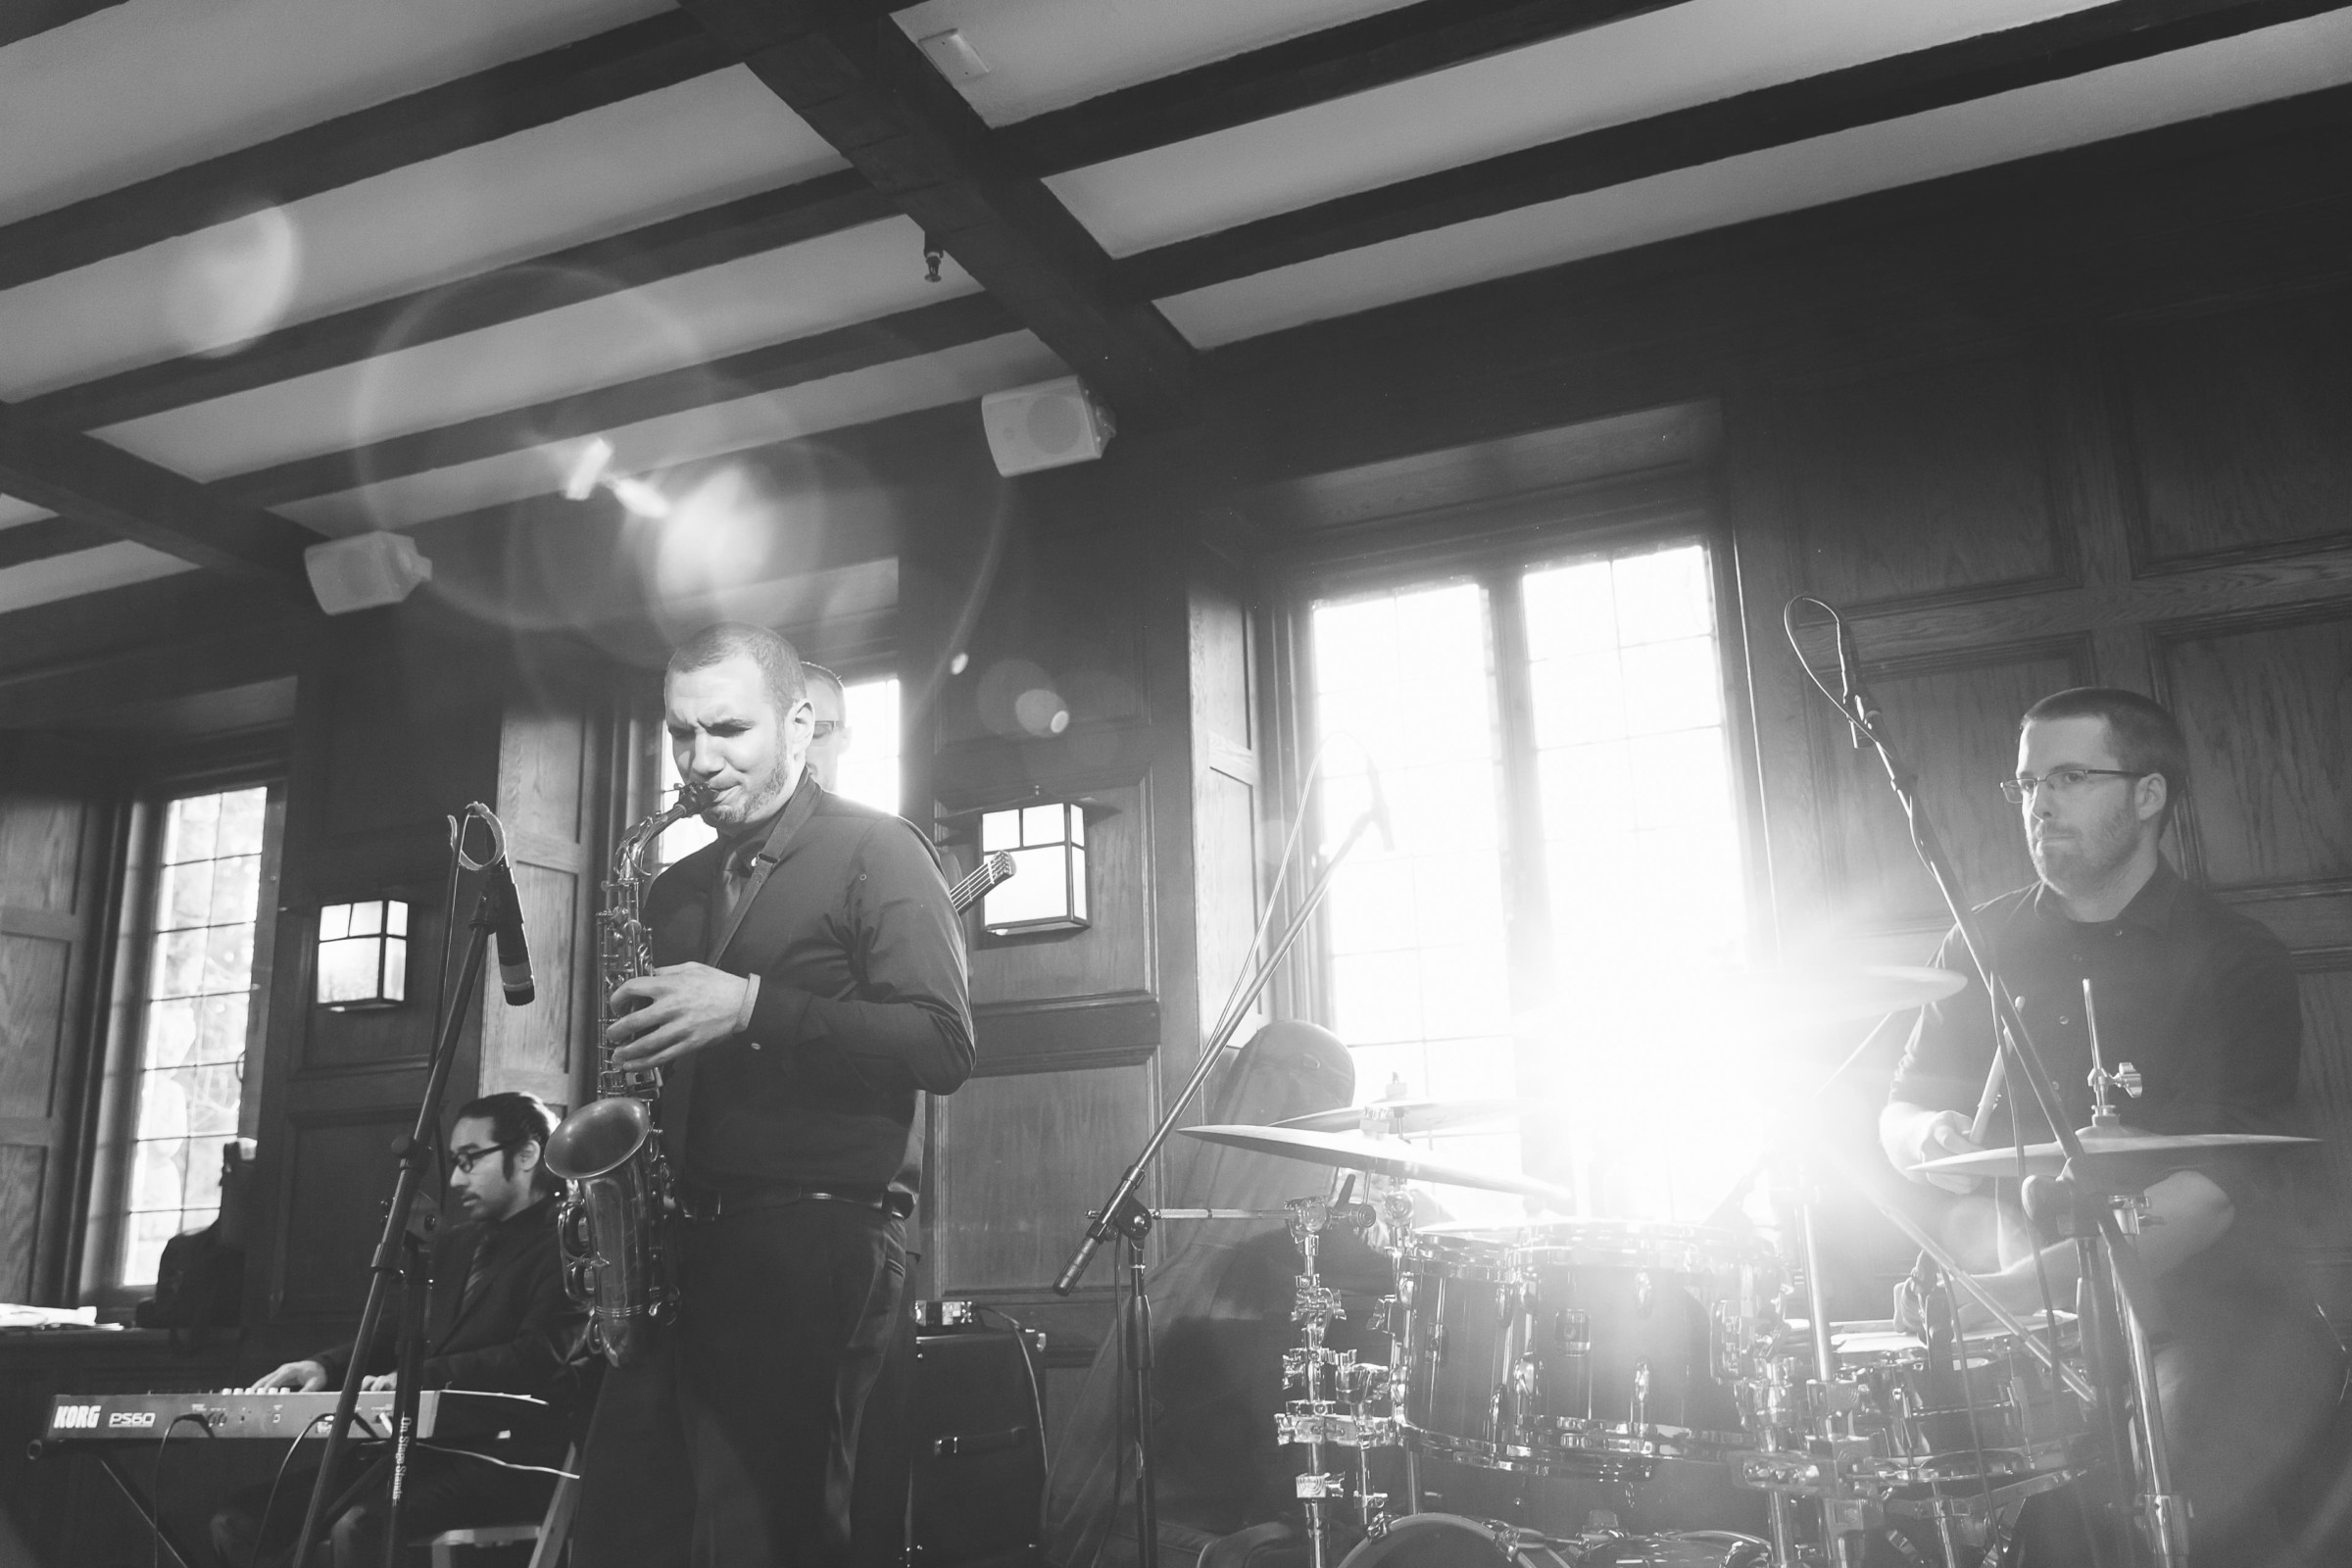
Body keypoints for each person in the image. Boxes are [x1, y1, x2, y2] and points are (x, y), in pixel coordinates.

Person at [1881, 687, 2340, 1564]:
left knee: (2177, 1483)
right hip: (2013, 1297)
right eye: (2023, 784)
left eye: (2069, 777)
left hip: (2206, 1310)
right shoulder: (1980, 944)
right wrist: (1929, 1137)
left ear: (2148, 796)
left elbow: (2210, 1197)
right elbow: (1896, 1115)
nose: (2039, 803)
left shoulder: (2237, 957)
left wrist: (2020, 1299)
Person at [570, 621, 974, 1568]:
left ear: (799, 725)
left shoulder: (881, 849)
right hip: (684, 1254)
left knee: (772, 1542)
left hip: (814, 1242)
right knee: (626, 1535)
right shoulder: (672, 887)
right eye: (680, 734)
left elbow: (943, 1042)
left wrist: (752, 1004)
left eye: (727, 730)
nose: (699, 761)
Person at [211, 1093, 579, 1568]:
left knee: (362, 1524)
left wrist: (420, 1375)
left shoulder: (566, 1241)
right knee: (238, 1521)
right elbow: (397, 1332)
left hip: (506, 1458)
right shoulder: (457, 1243)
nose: (454, 1178)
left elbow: (541, 1356)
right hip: (416, 1454)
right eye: (454, 1162)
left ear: (527, 1154)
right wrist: (322, 1366)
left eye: (469, 1160)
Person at [804, 661, 852, 794]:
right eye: (782, 738)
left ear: (845, 738)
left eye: (816, 733)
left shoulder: (878, 815)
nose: (799, 750)